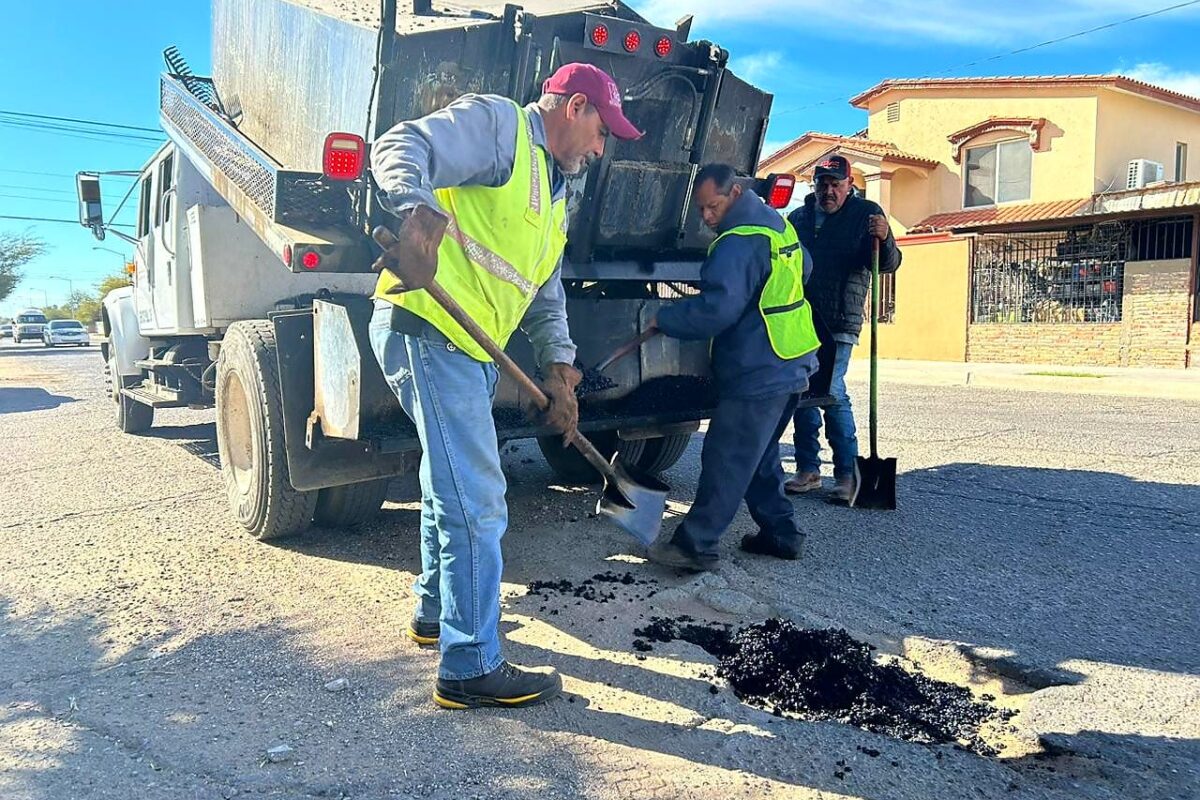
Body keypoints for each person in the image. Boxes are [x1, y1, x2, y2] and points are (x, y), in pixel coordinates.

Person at [367, 63, 643, 708]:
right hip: (429, 328)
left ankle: (437, 613)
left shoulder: (556, 194)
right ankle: (469, 665)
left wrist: (560, 369)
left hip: (469, 350)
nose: (601, 148)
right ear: (575, 107)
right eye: (603, 131)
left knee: (452, 484)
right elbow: (400, 143)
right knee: (478, 500)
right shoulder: (501, 127)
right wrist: (417, 211)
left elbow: (543, 291)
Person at [646, 163, 820, 573]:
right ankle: (781, 534)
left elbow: (716, 311)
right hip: (792, 360)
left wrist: (665, 318)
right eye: (701, 209)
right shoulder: (776, 225)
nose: (707, 217)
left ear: (736, 193)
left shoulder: (737, 241)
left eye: (714, 206)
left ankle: (695, 545)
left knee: (726, 457)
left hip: (760, 368)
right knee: (757, 455)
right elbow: (806, 268)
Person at [784, 155, 901, 501]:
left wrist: (885, 238)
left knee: (832, 391)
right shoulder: (798, 218)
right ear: (815, 185)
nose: (829, 191)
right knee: (802, 391)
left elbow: (887, 264)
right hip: (802, 320)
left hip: (840, 319)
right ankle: (808, 470)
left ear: (849, 185)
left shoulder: (866, 214)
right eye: (823, 184)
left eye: (836, 184)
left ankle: (848, 474)